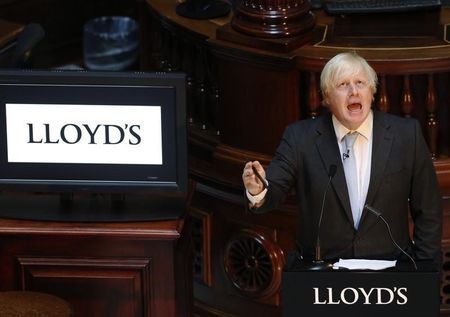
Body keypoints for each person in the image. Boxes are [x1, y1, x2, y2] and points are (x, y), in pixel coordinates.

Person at [242, 51, 442, 264]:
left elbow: (428, 209)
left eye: (360, 83)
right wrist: (258, 190)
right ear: (326, 98)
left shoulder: (406, 134)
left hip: (390, 269)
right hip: (323, 272)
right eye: (343, 85)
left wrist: (424, 272)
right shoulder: (300, 137)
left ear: (372, 91)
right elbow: (273, 189)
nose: (353, 91)